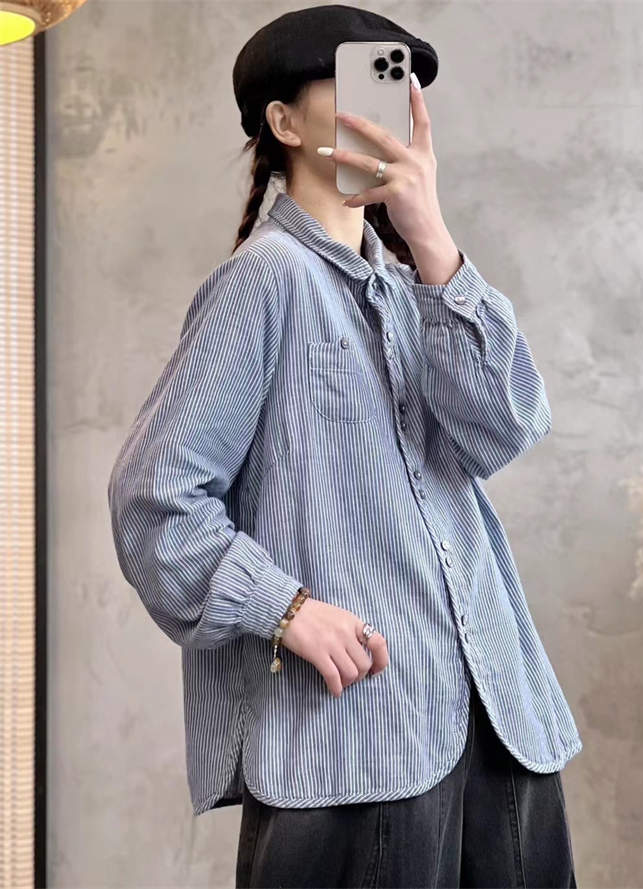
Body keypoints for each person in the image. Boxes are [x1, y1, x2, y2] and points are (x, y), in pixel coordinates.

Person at [108, 5, 582, 887]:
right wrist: (286, 607)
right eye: (358, 81)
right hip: (362, 740)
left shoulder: (415, 288)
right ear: (285, 123)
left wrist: (429, 231)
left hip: (498, 722)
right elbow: (153, 503)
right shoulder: (265, 281)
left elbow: (508, 424)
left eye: (395, 86)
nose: (384, 107)